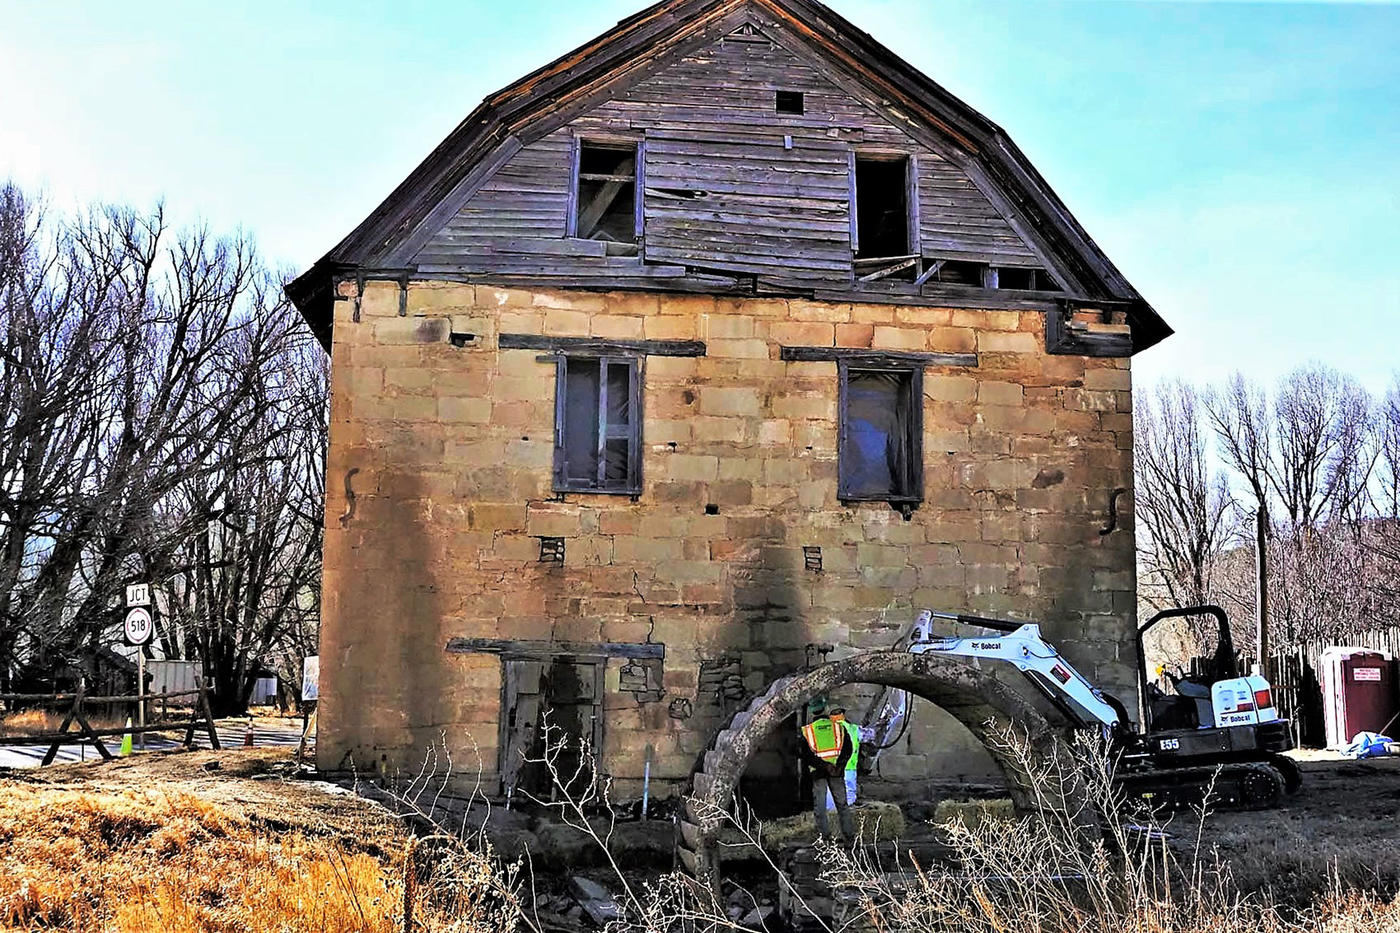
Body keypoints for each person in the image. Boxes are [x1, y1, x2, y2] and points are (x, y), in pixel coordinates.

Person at [798, 697, 856, 843]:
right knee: (842, 805)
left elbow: (805, 755)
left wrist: (824, 766)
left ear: (812, 712)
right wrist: (838, 766)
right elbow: (848, 749)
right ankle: (849, 839)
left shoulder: (807, 731)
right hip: (837, 772)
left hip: (819, 773)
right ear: (826, 709)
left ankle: (826, 839)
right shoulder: (839, 728)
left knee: (820, 807)